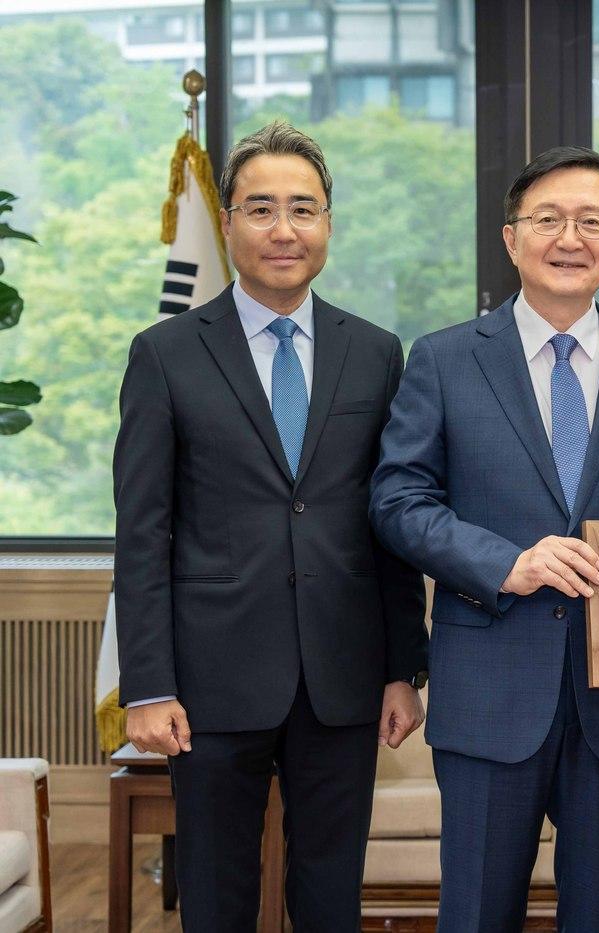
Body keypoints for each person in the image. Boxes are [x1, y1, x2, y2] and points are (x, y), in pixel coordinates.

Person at [369, 146, 599, 931]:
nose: (570, 237)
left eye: (592, 221)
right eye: (549, 219)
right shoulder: (445, 359)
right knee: (478, 913)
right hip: (489, 690)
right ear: (511, 237)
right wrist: (507, 562)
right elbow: (396, 499)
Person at [113, 121, 429, 931]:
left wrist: (403, 667)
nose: (283, 229)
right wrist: (147, 684)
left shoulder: (376, 352)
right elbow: (143, 529)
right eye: (261, 208)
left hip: (343, 675)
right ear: (227, 224)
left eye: (303, 208)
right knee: (216, 896)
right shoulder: (166, 353)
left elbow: (387, 520)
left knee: (330, 896)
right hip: (209, 681)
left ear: (328, 223)